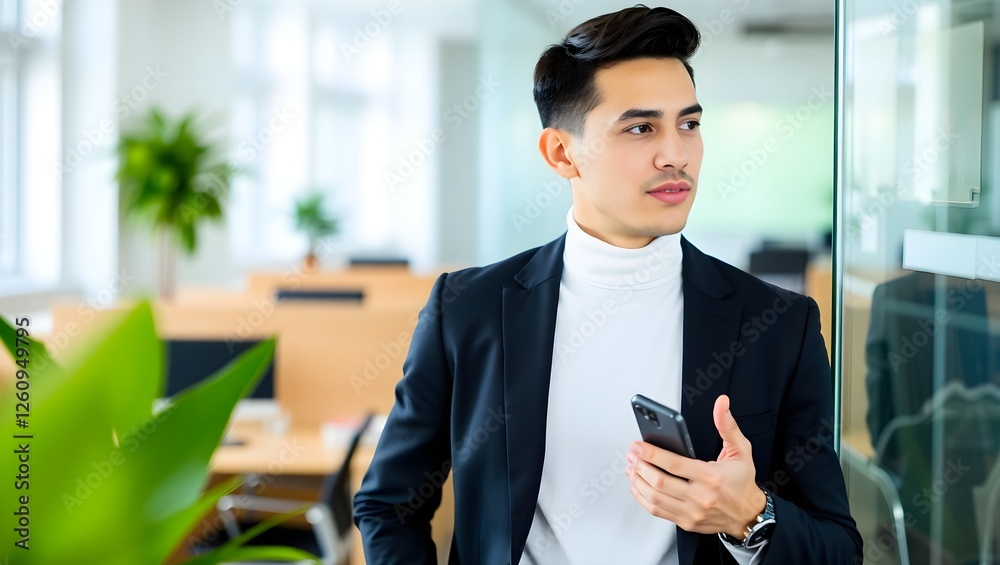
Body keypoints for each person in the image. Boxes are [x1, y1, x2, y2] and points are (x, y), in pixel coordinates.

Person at [354, 5, 861, 564]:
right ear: (562, 153)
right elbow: (389, 505)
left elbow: (838, 548)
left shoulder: (778, 326)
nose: (677, 155)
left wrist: (750, 517)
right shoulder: (467, 309)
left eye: (689, 124)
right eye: (641, 128)